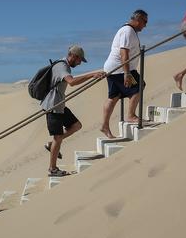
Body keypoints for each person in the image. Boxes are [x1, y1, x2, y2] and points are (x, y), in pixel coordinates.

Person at [41, 45, 105, 177]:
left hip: (60, 106)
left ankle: (51, 145)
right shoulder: (62, 66)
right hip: (52, 107)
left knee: (76, 125)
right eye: (80, 60)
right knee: (57, 138)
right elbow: (72, 82)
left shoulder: (64, 65)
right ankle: (52, 169)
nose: (80, 63)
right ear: (74, 56)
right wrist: (92, 74)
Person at [100, 10, 148, 139]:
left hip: (113, 69)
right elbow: (124, 53)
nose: (145, 25)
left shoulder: (127, 30)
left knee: (114, 96)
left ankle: (104, 126)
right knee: (138, 86)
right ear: (138, 19)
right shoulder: (128, 31)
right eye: (145, 21)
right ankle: (131, 115)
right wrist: (127, 73)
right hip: (121, 69)